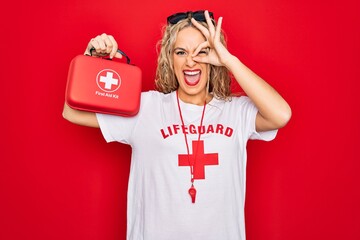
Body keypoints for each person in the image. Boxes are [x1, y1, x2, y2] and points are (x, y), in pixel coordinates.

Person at [63, 10, 291, 240]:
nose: (191, 61)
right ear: (170, 59)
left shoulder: (235, 111)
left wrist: (229, 60)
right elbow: (72, 112)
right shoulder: (145, 107)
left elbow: (280, 115)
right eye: (181, 52)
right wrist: (89, 59)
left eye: (202, 52)